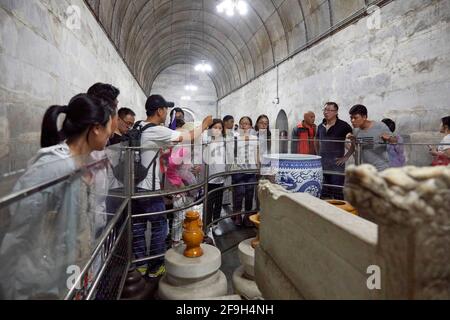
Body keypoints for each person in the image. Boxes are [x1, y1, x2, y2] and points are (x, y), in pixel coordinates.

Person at [0, 94, 114, 299]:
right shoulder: (54, 165)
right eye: (108, 126)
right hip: (42, 281)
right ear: (96, 127)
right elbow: (20, 224)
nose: (110, 133)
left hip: (67, 270)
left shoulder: (81, 163)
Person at [132, 94, 212, 276]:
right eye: (165, 109)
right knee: (160, 225)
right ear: (159, 111)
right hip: (149, 187)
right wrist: (205, 124)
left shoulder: (139, 126)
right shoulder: (155, 130)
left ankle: (140, 264)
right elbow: (189, 136)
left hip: (134, 185)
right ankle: (155, 266)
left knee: (138, 225)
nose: (166, 113)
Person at [315, 102, 353, 200]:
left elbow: (354, 142)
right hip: (323, 164)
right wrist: (318, 155)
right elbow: (316, 140)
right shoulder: (320, 126)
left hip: (337, 165)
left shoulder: (344, 126)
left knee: (337, 191)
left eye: (329, 110)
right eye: (324, 110)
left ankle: (339, 213)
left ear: (336, 112)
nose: (326, 112)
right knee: (324, 191)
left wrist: (346, 157)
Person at [348, 104, 397, 171]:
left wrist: (389, 138)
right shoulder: (355, 130)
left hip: (380, 168)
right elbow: (357, 148)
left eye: (355, 118)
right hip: (364, 169)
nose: (352, 120)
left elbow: (395, 141)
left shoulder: (380, 126)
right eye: (351, 118)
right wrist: (353, 140)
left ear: (364, 117)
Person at [231, 117, 258, 227]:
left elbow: (256, 152)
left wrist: (257, 166)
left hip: (251, 170)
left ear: (250, 126)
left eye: (246, 124)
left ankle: (247, 216)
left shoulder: (254, 138)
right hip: (238, 169)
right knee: (239, 193)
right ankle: (237, 215)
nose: (244, 126)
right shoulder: (235, 137)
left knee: (249, 194)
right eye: (242, 124)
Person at [204, 119, 227, 236]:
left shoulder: (224, 142)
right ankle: (207, 226)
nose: (217, 130)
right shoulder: (207, 141)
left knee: (218, 203)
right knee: (209, 203)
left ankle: (215, 224)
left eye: (220, 128)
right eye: (215, 127)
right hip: (210, 177)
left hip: (220, 177)